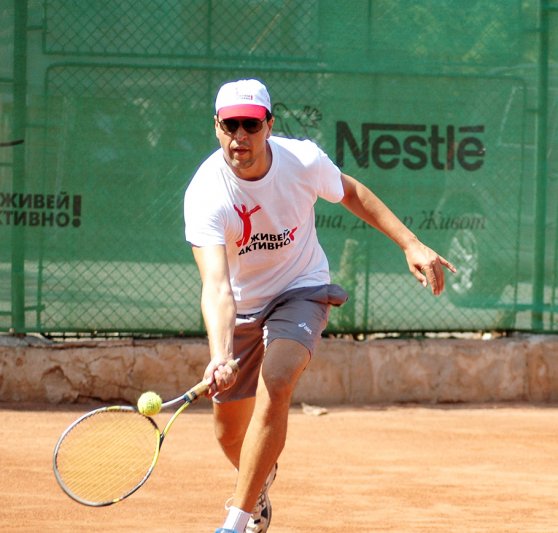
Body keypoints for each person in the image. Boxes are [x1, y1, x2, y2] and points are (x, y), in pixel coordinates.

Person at [183, 79, 456, 533]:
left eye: (251, 125)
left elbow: (352, 192)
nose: (240, 136)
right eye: (230, 125)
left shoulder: (302, 161)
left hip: (301, 288)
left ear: (269, 125)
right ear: (217, 127)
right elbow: (216, 286)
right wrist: (221, 354)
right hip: (243, 305)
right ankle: (259, 481)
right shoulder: (206, 194)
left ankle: (235, 520)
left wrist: (411, 243)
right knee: (229, 435)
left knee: (277, 378)